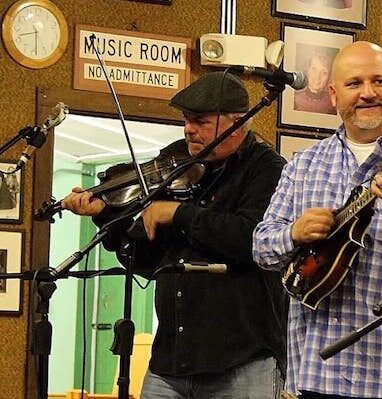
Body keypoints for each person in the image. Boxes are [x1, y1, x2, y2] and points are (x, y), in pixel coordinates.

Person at [253, 41, 382, 398]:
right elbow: (261, 248)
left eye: (379, 81)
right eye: (354, 84)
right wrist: (294, 234)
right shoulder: (304, 164)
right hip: (317, 377)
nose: (367, 93)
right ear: (334, 95)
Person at [63, 72, 288, 399]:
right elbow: (146, 262)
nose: (188, 130)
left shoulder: (268, 169)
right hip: (171, 360)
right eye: (185, 120)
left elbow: (251, 239)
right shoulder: (179, 169)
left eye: (199, 121)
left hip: (242, 361)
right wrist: (105, 215)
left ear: (237, 123)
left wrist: (178, 213)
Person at [294, 50, 337, 115]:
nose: (318, 76)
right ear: (307, 71)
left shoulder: (334, 104)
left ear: (329, 77)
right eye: (314, 69)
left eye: (324, 73)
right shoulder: (295, 100)